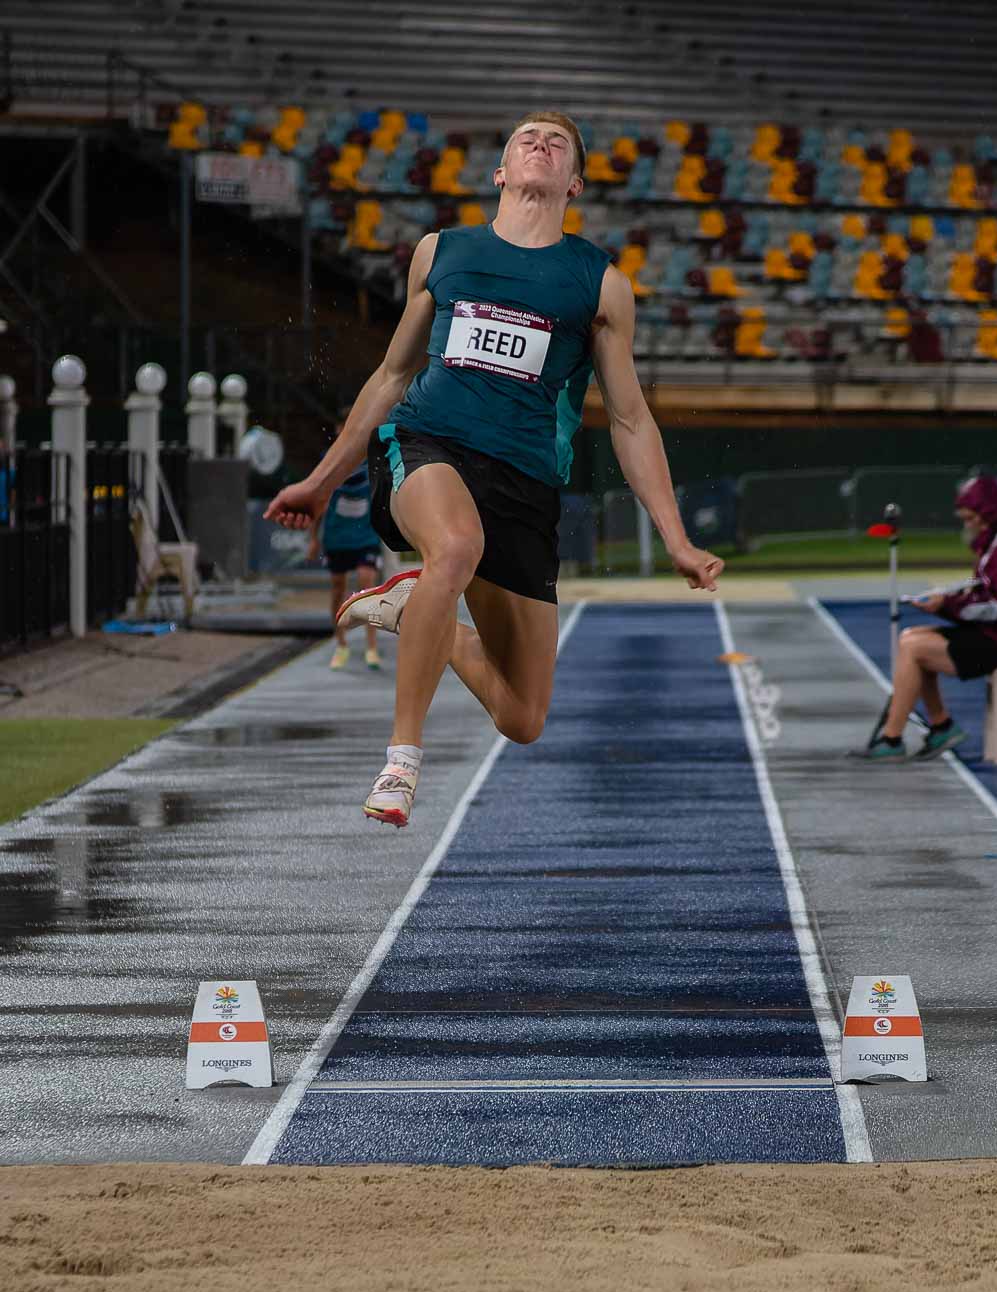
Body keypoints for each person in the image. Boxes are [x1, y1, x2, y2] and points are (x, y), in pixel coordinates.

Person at [265, 111, 725, 826]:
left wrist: (677, 539)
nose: (541, 145)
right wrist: (322, 482)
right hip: (427, 443)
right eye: (526, 139)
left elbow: (631, 420)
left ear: (574, 183)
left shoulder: (599, 284)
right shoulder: (442, 252)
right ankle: (401, 763)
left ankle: (426, 616)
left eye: (557, 143)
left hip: (524, 482)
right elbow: (392, 375)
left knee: (523, 716)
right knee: (454, 546)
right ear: (500, 172)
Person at [855, 474, 997, 761]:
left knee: (915, 647)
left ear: (988, 512)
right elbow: (987, 592)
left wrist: (947, 605)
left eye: (971, 517)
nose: (967, 524)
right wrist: (948, 600)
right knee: (910, 638)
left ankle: (893, 738)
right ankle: (940, 726)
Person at [307, 462, 383, 670]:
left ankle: (371, 647)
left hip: (365, 538)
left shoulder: (373, 466)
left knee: (367, 585)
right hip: (337, 539)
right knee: (337, 588)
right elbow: (317, 507)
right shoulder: (332, 468)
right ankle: (341, 644)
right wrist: (313, 540)